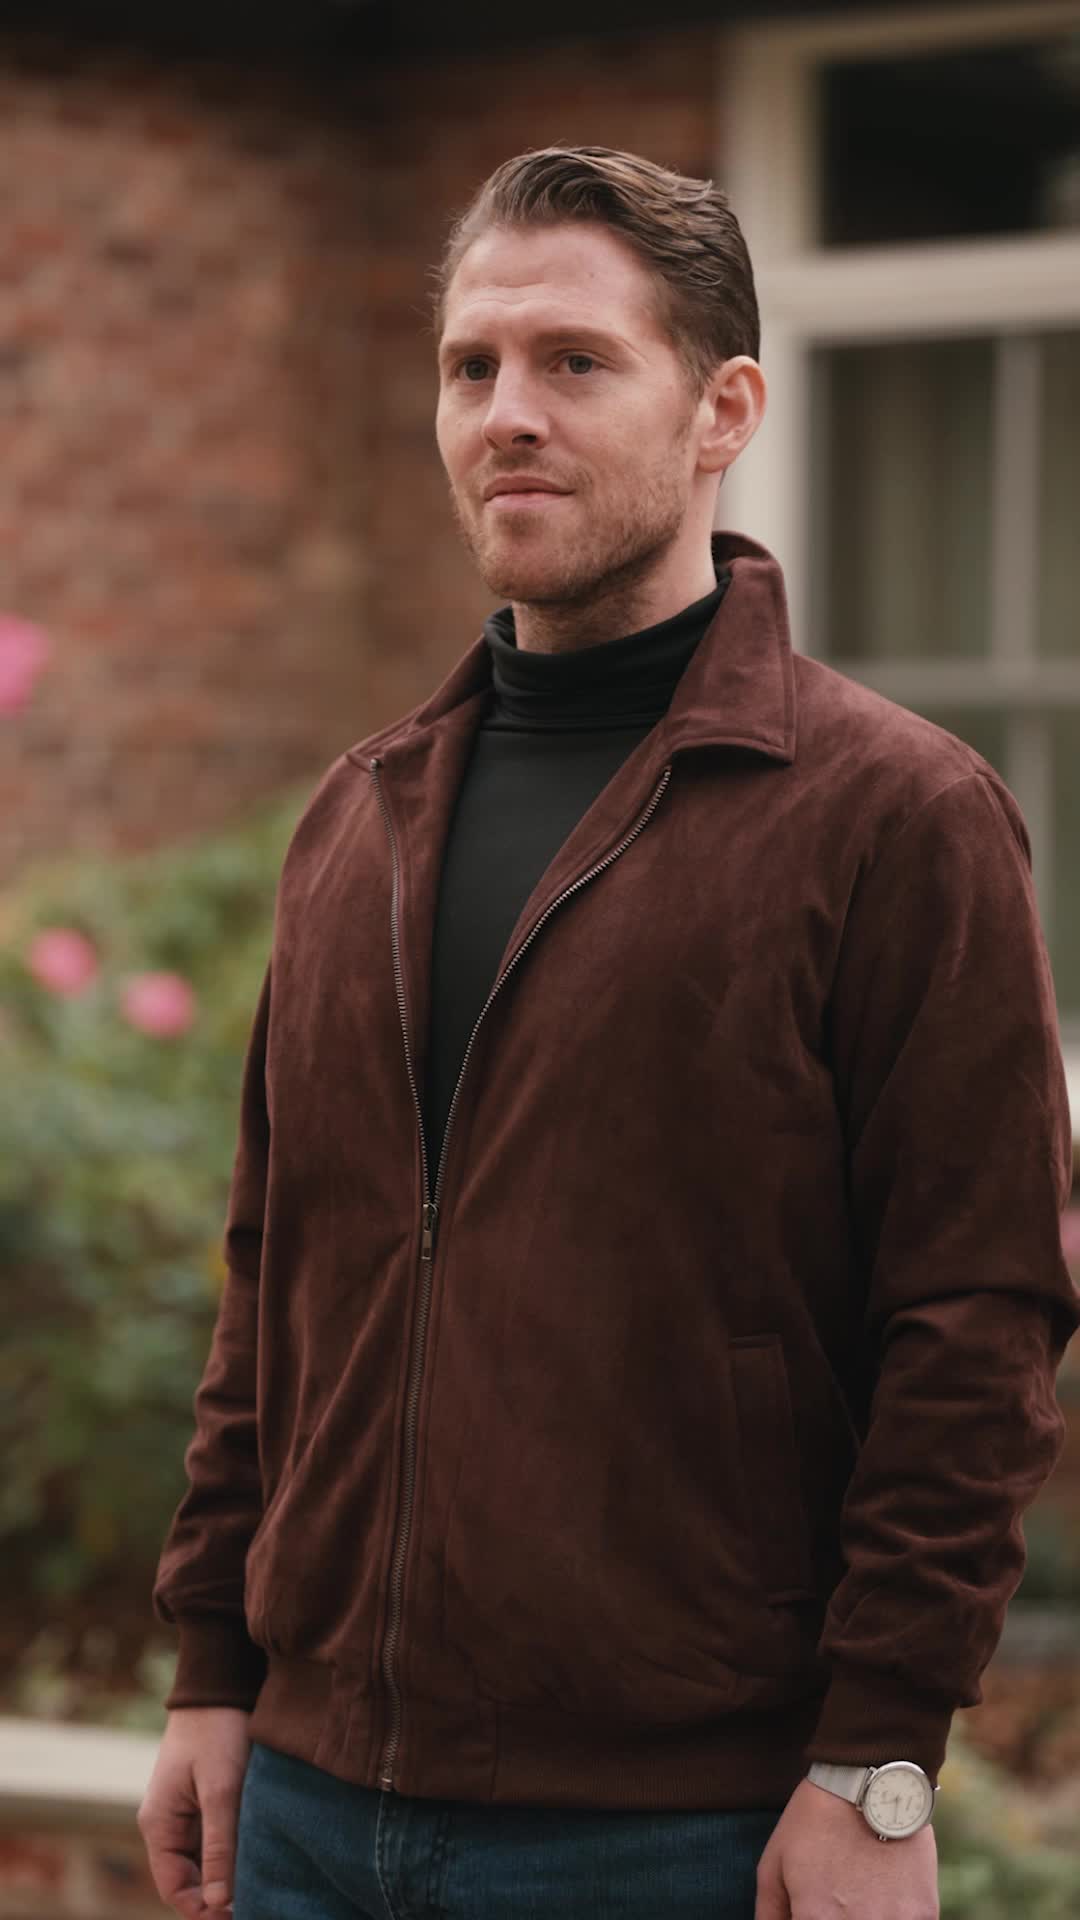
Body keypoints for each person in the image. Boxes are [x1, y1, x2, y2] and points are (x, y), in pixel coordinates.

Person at [137, 145, 1080, 1920]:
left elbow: (977, 1319)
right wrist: (211, 1668)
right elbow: (277, 1274)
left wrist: (877, 1761)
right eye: (472, 366)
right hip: (310, 1812)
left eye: (576, 360)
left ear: (724, 410)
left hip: (678, 1830)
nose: (508, 412)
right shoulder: (359, 815)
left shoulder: (895, 817)